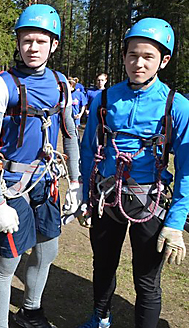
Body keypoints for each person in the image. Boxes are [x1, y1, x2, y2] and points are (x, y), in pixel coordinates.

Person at [78, 18, 188, 328]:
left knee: (147, 279)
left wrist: (176, 223)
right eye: (132, 55)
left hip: (148, 202)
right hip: (105, 198)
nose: (138, 63)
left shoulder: (175, 106)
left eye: (148, 57)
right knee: (103, 266)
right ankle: (100, 317)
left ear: (163, 61)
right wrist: (86, 196)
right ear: (124, 56)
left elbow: (187, 169)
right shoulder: (105, 99)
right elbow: (90, 151)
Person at [0, 4, 81, 328]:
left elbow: (70, 134)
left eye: (40, 40)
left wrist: (75, 183)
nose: (32, 47)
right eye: (26, 40)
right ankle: (0, 325)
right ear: (18, 42)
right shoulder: (0, 85)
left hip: (47, 182)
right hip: (12, 186)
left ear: (54, 44)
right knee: (7, 263)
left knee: (47, 252)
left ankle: (31, 311)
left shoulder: (62, 84)